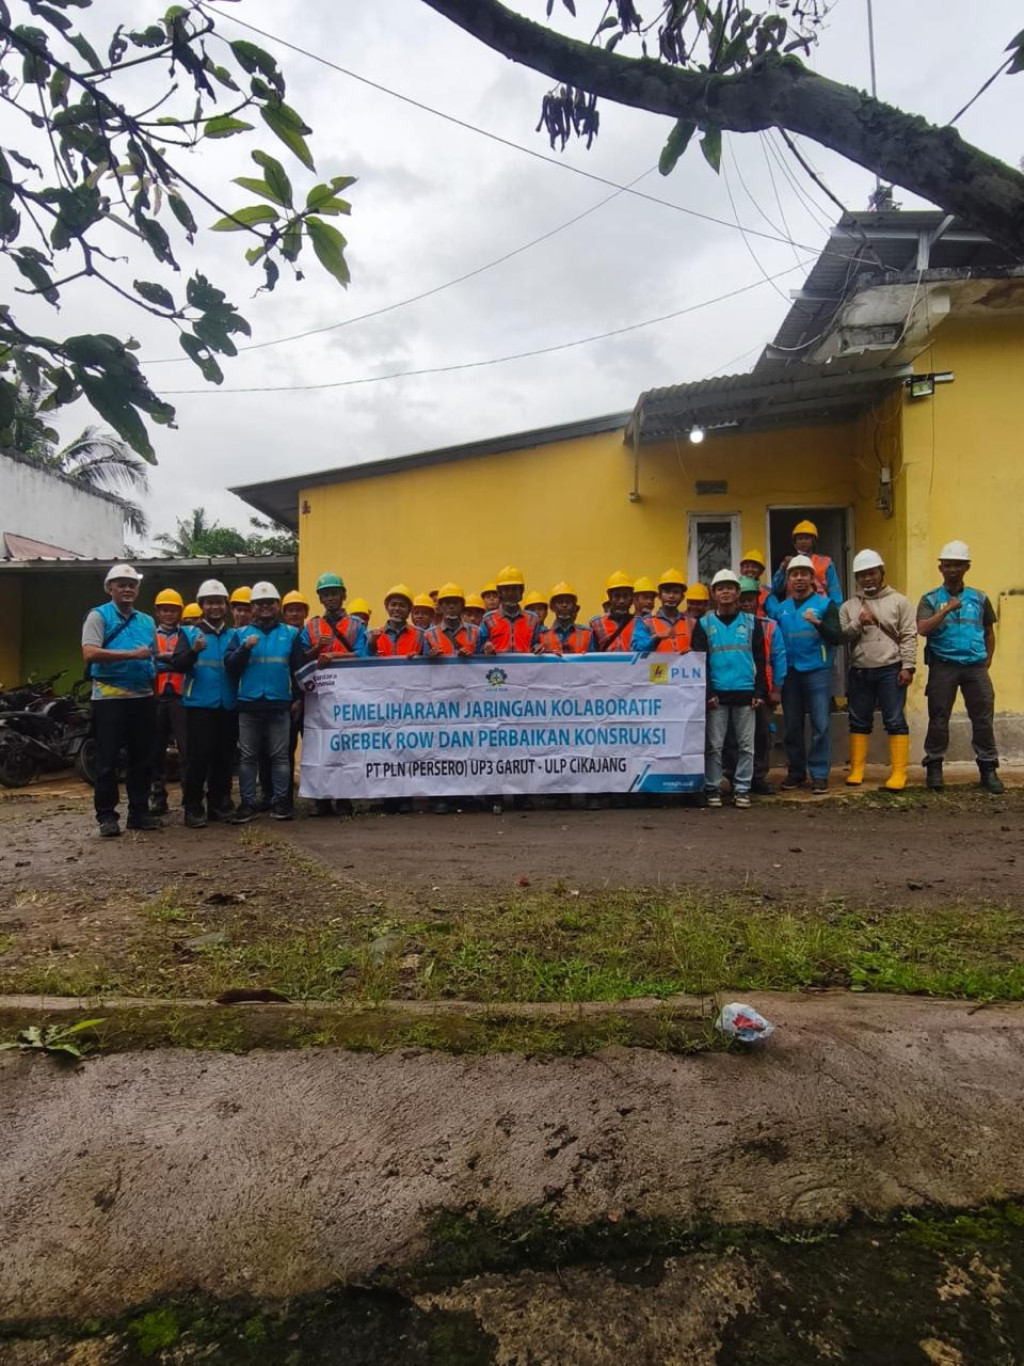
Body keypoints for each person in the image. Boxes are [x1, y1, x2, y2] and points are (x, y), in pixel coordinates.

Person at [917, 540, 1002, 793]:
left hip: (975, 667)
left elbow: (988, 631)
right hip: (943, 665)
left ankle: (988, 769)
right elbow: (922, 629)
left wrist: (987, 659)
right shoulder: (930, 599)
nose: (952, 570)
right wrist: (945, 610)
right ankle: (934, 767)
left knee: (983, 717)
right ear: (940, 568)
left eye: (957, 565)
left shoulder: (979, 597)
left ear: (967, 567)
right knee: (939, 717)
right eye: (947, 565)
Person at [80, 563, 158, 838]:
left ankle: (139, 812)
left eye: (131, 584)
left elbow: (153, 656)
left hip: (143, 697)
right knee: (107, 759)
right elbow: (89, 652)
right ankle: (107, 816)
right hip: (109, 698)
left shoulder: (147, 621)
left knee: (142, 758)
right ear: (109, 588)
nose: (127, 588)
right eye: (121, 584)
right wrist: (130, 656)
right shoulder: (98, 616)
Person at [839, 549, 917, 792]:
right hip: (860, 670)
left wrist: (908, 667)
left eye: (871, 573)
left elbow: (909, 636)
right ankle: (858, 769)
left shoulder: (899, 601)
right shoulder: (849, 606)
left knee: (894, 720)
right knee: (859, 720)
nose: (867, 579)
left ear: (881, 573)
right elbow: (842, 637)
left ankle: (898, 772)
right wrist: (857, 622)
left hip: (891, 669)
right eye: (862, 575)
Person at [766, 555, 844, 793]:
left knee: (821, 724)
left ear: (812, 578)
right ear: (788, 579)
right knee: (792, 726)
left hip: (817, 672)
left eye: (804, 574)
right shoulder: (782, 609)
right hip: (790, 673)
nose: (799, 579)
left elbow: (837, 637)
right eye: (794, 574)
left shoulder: (825, 604)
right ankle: (796, 773)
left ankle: (819, 774)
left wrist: (819, 623)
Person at [225, 582, 299, 822]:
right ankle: (248, 803)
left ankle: (281, 802)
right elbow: (231, 665)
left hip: (279, 704)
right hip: (249, 704)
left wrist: (298, 698)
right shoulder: (240, 634)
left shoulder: (290, 633)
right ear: (253, 607)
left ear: (277, 606)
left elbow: (298, 669)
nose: (265, 607)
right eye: (260, 604)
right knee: (247, 757)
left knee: (280, 756)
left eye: (270, 603)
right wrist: (245, 648)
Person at [172, 579, 238, 828]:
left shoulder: (233, 635)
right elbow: (178, 664)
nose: (215, 607)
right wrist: (194, 651)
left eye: (219, 602)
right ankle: (193, 806)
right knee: (198, 758)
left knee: (224, 757)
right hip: (199, 705)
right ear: (201, 605)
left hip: (228, 705)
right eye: (210, 602)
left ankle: (219, 804)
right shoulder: (189, 633)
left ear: (226, 605)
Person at [703, 569, 771, 809]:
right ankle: (713, 787)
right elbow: (700, 662)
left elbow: (760, 658)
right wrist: (708, 692)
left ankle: (742, 788)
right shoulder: (704, 623)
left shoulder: (752, 623)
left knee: (746, 746)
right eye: (720, 588)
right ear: (714, 593)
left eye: (730, 588)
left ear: (737, 592)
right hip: (717, 696)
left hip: (745, 692)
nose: (725, 592)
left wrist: (759, 691)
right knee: (714, 746)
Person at [736, 576, 786, 793]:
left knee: (762, 733)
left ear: (757, 601)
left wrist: (776, 688)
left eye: (751, 600)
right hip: (737, 687)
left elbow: (779, 657)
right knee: (735, 736)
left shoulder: (769, 627)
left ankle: (758, 777)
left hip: (763, 689)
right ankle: (737, 777)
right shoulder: (728, 625)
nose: (747, 604)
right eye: (743, 600)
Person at [150, 588, 188, 817]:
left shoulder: (185, 635)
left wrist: (166, 660)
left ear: (180, 612)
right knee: (155, 750)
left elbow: (188, 662)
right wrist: (173, 661)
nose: (169, 614)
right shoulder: (150, 635)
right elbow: (149, 662)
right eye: (165, 610)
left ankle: (189, 794)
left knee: (187, 749)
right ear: (157, 612)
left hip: (181, 697)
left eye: (173, 610)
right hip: (156, 697)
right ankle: (157, 795)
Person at [300, 573, 368, 663]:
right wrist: (317, 648)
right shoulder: (311, 626)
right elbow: (301, 658)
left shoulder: (357, 624)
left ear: (343, 596)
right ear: (320, 599)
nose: (330, 598)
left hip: (350, 675)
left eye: (334, 594)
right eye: (326, 595)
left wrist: (334, 656)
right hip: (322, 676)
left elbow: (363, 654)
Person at [771, 520, 842, 605]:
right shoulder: (788, 562)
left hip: (820, 608)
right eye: (800, 538)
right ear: (795, 543)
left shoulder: (825, 562)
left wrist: (836, 609)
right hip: (793, 607)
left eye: (807, 538)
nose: (803, 541)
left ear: (814, 541)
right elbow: (776, 588)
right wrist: (783, 568)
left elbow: (834, 590)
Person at [478, 566, 544, 654]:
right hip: (498, 667)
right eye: (506, 589)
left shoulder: (533, 618)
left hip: (525, 667)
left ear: (521, 591)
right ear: (499, 593)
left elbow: (537, 642)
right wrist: (485, 646)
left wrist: (537, 647)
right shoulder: (488, 619)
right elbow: (479, 647)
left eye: (514, 589)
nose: (510, 593)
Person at [632, 570, 700, 653]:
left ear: (682, 597)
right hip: (656, 666)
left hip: (684, 666)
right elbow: (636, 650)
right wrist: (656, 638)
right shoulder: (646, 622)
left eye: (676, 592)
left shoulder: (692, 623)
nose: (671, 596)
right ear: (660, 596)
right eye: (667, 592)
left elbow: (701, 652)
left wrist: (694, 652)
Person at [368, 585, 429, 656]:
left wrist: (417, 659)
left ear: (409, 610)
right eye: (393, 605)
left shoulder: (421, 635)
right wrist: (372, 644)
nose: (397, 608)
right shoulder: (372, 635)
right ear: (386, 607)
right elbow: (365, 661)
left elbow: (427, 661)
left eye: (402, 605)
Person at [425, 584, 479, 656]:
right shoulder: (429, 634)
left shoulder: (476, 631)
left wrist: (469, 657)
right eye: (447, 603)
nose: (451, 606)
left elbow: (484, 660)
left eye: (455, 603)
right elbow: (423, 661)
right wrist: (431, 657)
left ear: (462, 606)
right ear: (441, 606)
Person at [590, 571, 636, 651]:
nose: (621, 601)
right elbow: (592, 654)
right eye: (617, 596)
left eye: (625, 596)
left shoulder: (640, 623)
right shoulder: (596, 624)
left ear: (631, 598)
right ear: (610, 597)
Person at [541, 584, 594, 653]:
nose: (564, 605)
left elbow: (594, 661)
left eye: (568, 602)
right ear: (552, 607)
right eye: (560, 602)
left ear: (574, 607)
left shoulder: (587, 634)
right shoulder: (542, 635)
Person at [739, 549, 771, 616]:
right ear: (741, 570)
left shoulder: (767, 592)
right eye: (746, 566)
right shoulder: (735, 588)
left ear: (761, 571)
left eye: (754, 567)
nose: (750, 569)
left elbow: (773, 613)